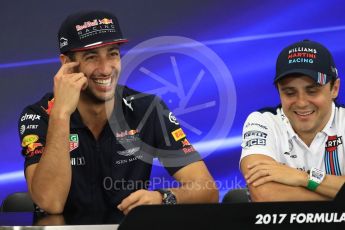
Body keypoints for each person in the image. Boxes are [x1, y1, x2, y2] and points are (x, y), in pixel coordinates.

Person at [18, 10, 218, 214]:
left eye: (113, 54)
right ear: (66, 64)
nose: (105, 69)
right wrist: (61, 114)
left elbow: (207, 190)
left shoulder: (148, 109)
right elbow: (50, 203)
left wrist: (163, 197)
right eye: (91, 57)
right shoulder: (38, 115)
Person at [240, 40, 345, 202]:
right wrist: (334, 192)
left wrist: (303, 178)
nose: (301, 102)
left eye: (312, 91)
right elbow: (265, 195)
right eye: (289, 93)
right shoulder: (262, 121)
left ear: (335, 88)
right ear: (279, 92)